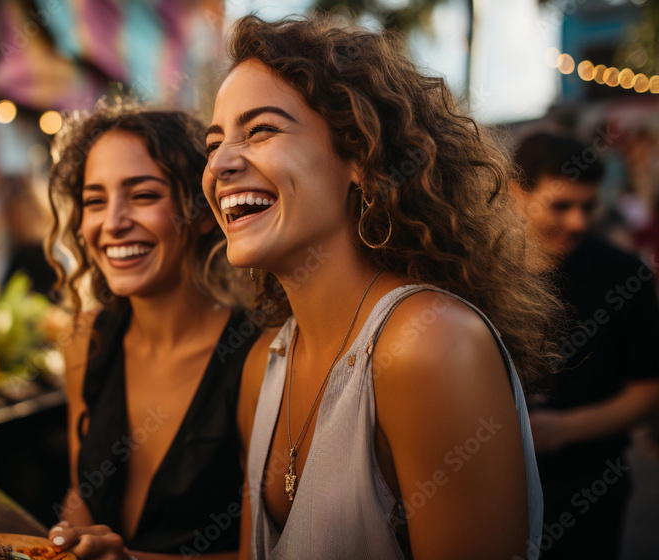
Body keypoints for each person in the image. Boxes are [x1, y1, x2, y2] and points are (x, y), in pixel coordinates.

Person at [202, 15, 564, 560]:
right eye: (215, 141)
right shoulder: (264, 364)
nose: (221, 163)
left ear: (362, 158)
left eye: (261, 130)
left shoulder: (431, 344)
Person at [43, 104, 268, 559]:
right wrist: (71, 541)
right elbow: (83, 504)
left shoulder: (258, 359)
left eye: (143, 196)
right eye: (94, 201)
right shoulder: (86, 342)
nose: (112, 222)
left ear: (203, 213)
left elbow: (261, 553)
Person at [511, 131, 659, 560]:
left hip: (590, 490)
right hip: (491, 489)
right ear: (517, 193)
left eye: (588, 207)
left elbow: (648, 391)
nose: (577, 222)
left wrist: (560, 430)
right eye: (561, 205)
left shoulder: (622, 274)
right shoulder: (477, 271)